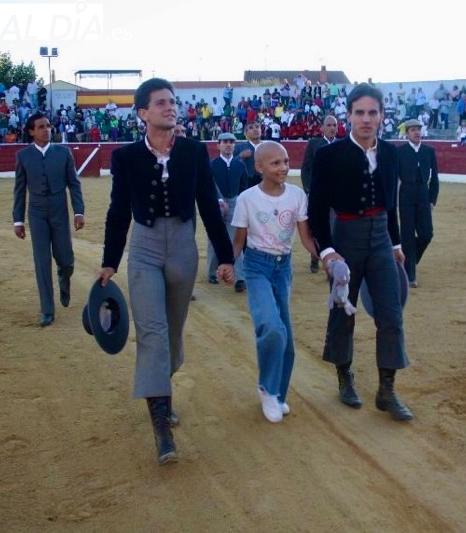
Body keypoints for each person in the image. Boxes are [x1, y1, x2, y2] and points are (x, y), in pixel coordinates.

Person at [96, 78, 235, 466]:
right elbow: (118, 211)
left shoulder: (193, 151)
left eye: (173, 102)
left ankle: (162, 390)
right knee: (153, 332)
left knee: (171, 334)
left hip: (183, 249)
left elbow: (208, 203)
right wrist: (110, 260)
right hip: (144, 246)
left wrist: (225, 256)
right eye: (161, 103)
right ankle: (161, 425)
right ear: (142, 113)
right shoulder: (125, 158)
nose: (170, 108)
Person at [308, 83, 413, 422]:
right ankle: (345, 377)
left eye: (373, 113)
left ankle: (387, 390)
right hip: (346, 239)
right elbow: (318, 208)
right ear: (349, 115)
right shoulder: (329, 155)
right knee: (343, 311)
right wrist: (327, 253)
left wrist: (396, 245)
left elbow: (391, 204)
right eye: (360, 113)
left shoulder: (392, 153)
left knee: (391, 314)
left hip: (381, 238)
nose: (366, 119)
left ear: (382, 116)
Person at [231, 142, 319, 423]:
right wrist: (226, 263)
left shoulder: (296, 195)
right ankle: (267, 389)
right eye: (275, 163)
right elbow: (239, 241)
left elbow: (306, 238)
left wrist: (328, 257)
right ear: (259, 168)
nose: (283, 167)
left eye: (285, 161)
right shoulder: (247, 198)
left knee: (287, 337)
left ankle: (278, 394)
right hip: (256, 267)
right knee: (271, 326)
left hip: (283, 269)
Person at [12, 112, 85, 327]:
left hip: (59, 210)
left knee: (66, 258)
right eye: (41, 127)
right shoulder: (23, 156)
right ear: (32, 131)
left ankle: (65, 276)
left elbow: (74, 184)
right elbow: (19, 190)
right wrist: (18, 220)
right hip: (36, 213)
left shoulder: (63, 153)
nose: (47, 130)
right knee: (42, 262)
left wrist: (78, 211)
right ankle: (47, 309)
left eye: (48, 126)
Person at [397, 119, 439, 289]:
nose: (416, 132)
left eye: (418, 129)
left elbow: (434, 178)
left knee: (426, 234)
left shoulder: (429, 151)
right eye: (413, 130)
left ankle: (410, 260)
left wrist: (432, 199)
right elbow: (393, 178)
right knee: (407, 236)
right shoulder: (400, 152)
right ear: (406, 133)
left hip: (423, 194)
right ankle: (410, 274)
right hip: (405, 194)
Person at [207, 132, 248, 291]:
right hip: (215, 203)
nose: (228, 144)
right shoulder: (212, 164)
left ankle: (240, 277)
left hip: (235, 202)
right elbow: (208, 186)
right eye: (224, 142)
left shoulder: (240, 165)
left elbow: (243, 187)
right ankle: (212, 272)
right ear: (218, 145)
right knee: (214, 238)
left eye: (231, 142)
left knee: (235, 238)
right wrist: (218, 200)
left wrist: (240, 202)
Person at [300, 114, 338, 273]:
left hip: (337, 196)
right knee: (317, 226)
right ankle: (315, 257)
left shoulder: (342, 145)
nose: (332, 128)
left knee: (334, 228)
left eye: (334, 125)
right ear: (322, 128)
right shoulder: (314, 144)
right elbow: (306, 168)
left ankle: (332, 262)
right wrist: (309, 190)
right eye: (328, 125)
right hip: (318, 194)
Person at [235, 121, 264, 188]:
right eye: (251, 128)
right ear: (245, 133)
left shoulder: (268, 147)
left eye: (257, 127)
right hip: (246, 182)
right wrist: (240, 156)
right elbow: (231, 163)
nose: (255, 129)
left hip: (265, 180)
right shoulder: (239, 147)